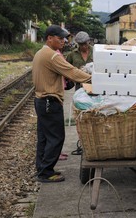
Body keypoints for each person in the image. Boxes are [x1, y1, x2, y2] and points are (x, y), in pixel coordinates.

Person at [32, 25, 92, 183]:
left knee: (44, 137)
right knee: (56, 137)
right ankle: (46, 172)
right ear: (49, 38)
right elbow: (72, 72)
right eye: (60, 38)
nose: (64, 41)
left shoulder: (40, 53)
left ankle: (42, 168)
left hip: (41, 101)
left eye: (65, 38)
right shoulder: (52, 56)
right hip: (50, 102)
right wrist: (94, 79)